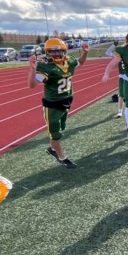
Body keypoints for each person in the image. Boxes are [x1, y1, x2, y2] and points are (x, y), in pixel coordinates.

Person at [29, 37, 90, 168]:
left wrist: (85, 52)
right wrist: (33, 69)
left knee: (60, 130)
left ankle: (52, 149)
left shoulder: (69, 61)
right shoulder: (46, 67)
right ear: (47, 52)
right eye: (52, 51)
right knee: (55, 134)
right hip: (53, 104)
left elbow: (81, 62)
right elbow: (32, 84)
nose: (56, 54)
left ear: (64, 51)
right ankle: (62, 157)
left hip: (66, 100)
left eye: (59, 51)